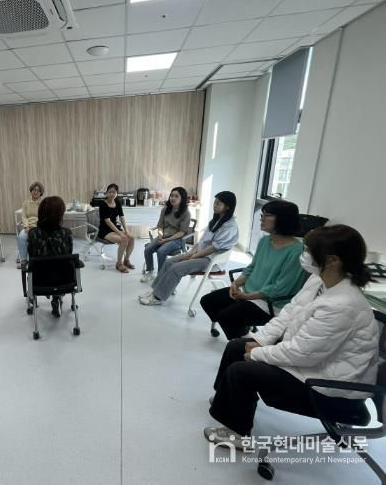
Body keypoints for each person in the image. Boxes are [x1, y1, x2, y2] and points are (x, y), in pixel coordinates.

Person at [204, 225, 379, 448]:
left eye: (310, 251)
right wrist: (260, 340)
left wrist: (258, 353)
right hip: (314, 364)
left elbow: (303, 353)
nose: (305, 255)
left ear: (332, 260)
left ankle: (237, 434)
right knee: (237, 346)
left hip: (330, 388)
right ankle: (227, 401)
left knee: (242, 371)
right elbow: (290, 311)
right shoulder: (319, 280)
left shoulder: (343, 304)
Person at [200, 200, 307, 339]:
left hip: (271, 303)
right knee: (208, 301)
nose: (261, 219)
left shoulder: (297, 251)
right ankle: (242, 332)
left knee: (227, 316)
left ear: (283, 219)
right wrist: (235, 284)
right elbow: (251, 268)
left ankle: (245, 342)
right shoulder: (265, 241)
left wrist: (247, 297)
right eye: (262, 215)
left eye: (267, 215)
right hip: (249, 292)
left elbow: (280, 289)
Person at [139, 191, 238, 305]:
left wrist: (193, 256)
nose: (214, 205)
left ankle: (157, 298)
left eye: (218, 203)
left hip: (211, 260)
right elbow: (201, 243)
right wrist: (190, 253)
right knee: (169, 262)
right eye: (214, 202)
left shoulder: (230, 227)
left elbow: (212, 249)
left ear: (227, 207)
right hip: (201, 254)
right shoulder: (216, 221)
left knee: (176, 268)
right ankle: (155, 291)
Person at [27, 196, 74, 317]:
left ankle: (37, 296)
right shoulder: (66, 233)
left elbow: (31, 255)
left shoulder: (33, 233)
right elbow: (68, 255)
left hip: (39, 280)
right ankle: (57, 297)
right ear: (60, 215)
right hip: (64, 279)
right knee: (59, 266)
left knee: (39, 267)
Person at [141, 187, 191, 282]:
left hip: (177, 239)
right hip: (164, 236)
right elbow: (160, 226)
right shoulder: (165, 209)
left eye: (176, 196)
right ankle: (150, 271)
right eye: (171, 195)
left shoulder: (186, 213)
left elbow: (182, 232)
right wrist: (160, 236)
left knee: (161, 251)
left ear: (182, 198)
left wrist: (166, 240)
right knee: (148, 249)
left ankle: (161, 275)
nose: (173, 198)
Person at [98, 183, 135, 273]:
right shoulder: (103, 204)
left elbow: (122, 217)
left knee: (131, 238)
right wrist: (120, 233)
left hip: (115, 228)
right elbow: (108, 221)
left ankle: (126, 260)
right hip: (105, 230)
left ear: (116, 193)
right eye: (110, 192)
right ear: (106, 193)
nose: (112, 194)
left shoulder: (117, 202)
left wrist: (126, 231)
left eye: (114, 192)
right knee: (124, 239)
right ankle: (119, 264)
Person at [17, 181, 44, 268]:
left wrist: (37, 226)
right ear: (31, 191)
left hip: (39, 226)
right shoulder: (25, 203)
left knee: (37, 237)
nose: (36, 192)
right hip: (27, 226)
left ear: (41, 193)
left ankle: (37, 260)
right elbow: (24, 216)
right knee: (21, 237)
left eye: (38, 190)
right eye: (34, 190)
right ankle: (23, 260)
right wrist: (26, 227)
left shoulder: (43, 203)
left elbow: (44, 217)